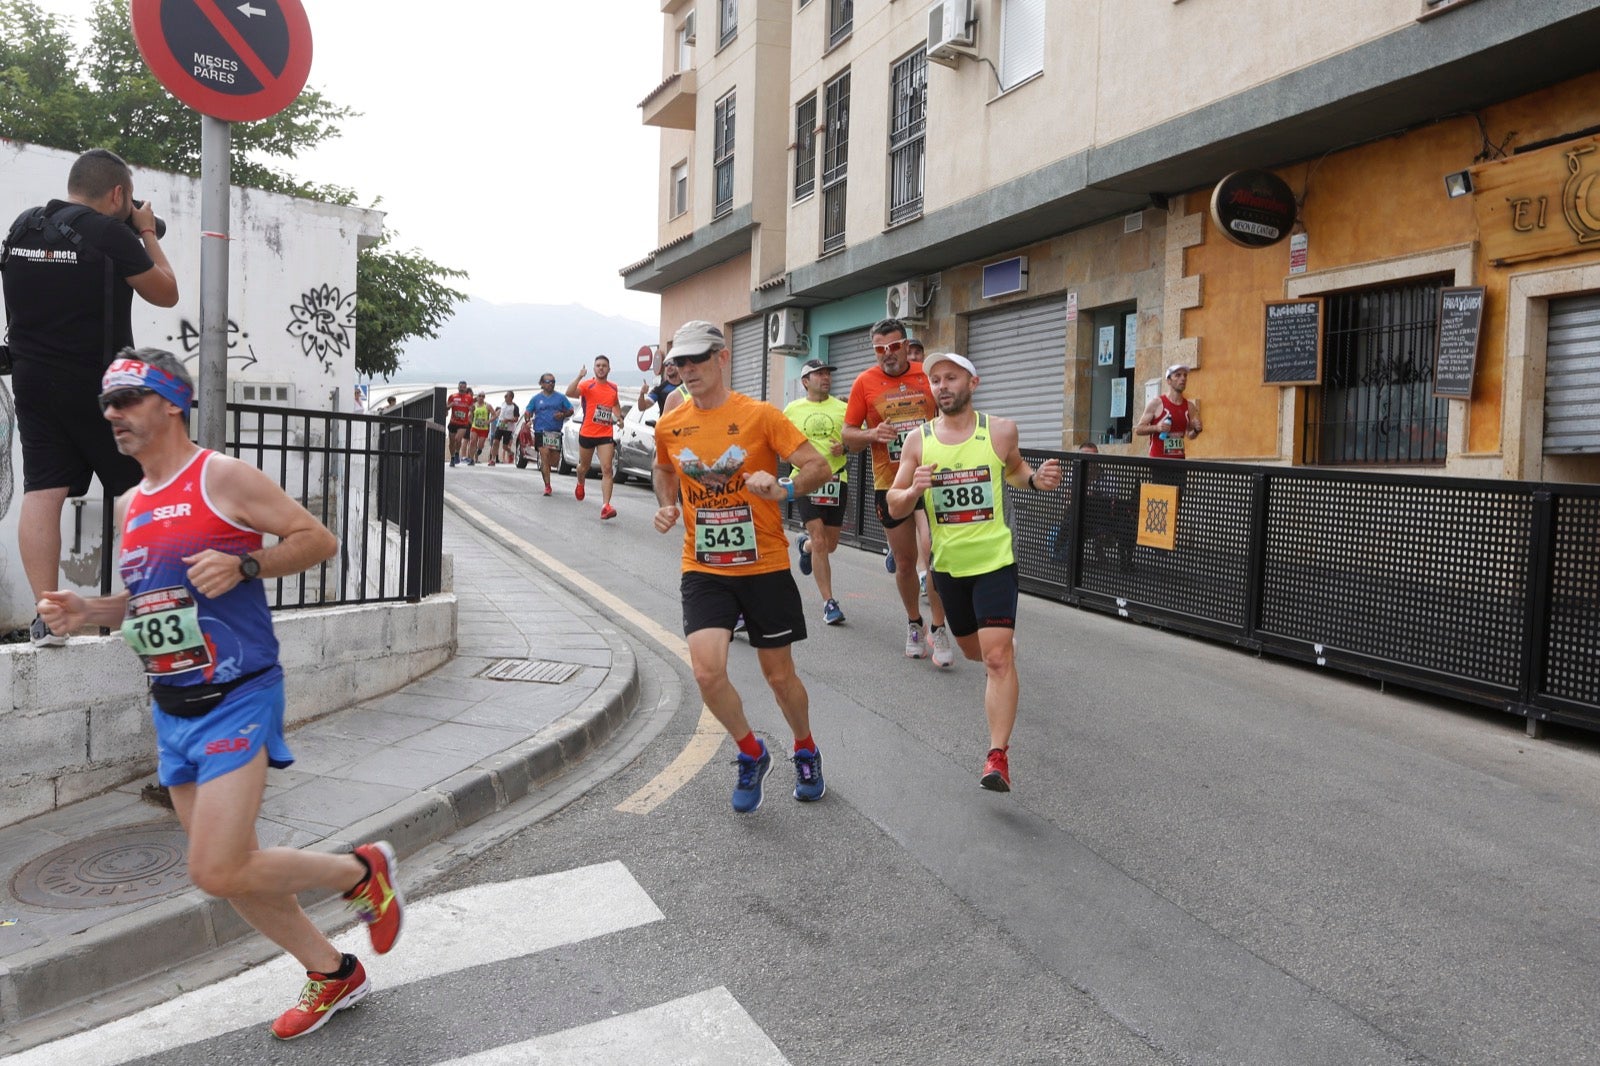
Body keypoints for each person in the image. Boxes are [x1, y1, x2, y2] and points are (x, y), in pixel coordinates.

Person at [35, 350, 405, 1040]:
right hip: (172, 705)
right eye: (106, 404)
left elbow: (316, 539)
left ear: (171, 401)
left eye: (128, 399)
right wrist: (89, 612)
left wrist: (246, 562)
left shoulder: (222, 476)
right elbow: (151, 602)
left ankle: (361, 872)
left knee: (215, 867)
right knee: (236, 871)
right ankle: (332, 973)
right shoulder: (132, 503)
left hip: (239, 693)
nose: (112, 414)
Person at [0, 147, 178, 647]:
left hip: (32, 381)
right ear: (118, 194)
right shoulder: (110, 233)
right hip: (102, 384)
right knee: (136, 486)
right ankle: (154, 605)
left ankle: (47, 617)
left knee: (44, 491)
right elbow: (166, 291)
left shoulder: (23, 228)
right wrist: (143, 230)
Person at [652, 320, 833, 813]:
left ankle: (804, 748)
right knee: (707, 673)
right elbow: (664, 468)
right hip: (704, 565)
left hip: (764, 565)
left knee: (779, 678)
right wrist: (667, 504)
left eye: (697, 360)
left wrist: (786, 489)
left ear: (722, 358)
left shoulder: (760, 416)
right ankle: (751, 753)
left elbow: (819, 466)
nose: (687, 370)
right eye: (679, 363)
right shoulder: (670, 423)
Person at [885, 352, 1062, 793]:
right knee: (973, 653)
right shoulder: (918, 441)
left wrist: (1037, 480)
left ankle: (997, 756)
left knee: (998, 658)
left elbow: (1016, 471)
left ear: (973, 382)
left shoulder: (1000, 430)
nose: (942, 386)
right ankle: (993, 644)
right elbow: (893, 503)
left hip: (995, 563)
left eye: (951, 377)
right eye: (936, 380)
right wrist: (913, 491)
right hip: (948, 568)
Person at [842, 317, 953, 666]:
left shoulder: (926, 377)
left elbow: (953, 414)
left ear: (906, 346)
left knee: (936, 556)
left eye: (893, 347)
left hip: (932, 478)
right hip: (890, 484)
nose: (887, 355)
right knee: (905, 563)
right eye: (879, 350)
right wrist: (872, 435)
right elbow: (848, 435)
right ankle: (914, 623)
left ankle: (939, 627)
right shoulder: (865, 382)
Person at [782, 359, 850, 625]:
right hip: (804, 481)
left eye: (827, 373)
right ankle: (829, 603)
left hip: (837, 480)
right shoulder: (791, 410)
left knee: (829, 545)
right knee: (821, 540)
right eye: (818, 374)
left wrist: (844, 448)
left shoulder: (844, 409)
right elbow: (779, 441)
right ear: (805, 382)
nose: (825, 378)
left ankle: (805, 545)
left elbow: (857, 438)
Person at [567, 356, 623, 519]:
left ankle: (606, 506)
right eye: (598, 365)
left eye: (604, 366)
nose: (601, 368)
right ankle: (580, 481)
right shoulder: (587, 385)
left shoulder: (613, 387)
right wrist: (579, 376)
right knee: (583, 467)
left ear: (609, 369)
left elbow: (615, 404)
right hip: (588, 433)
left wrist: (619, 418)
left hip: (605, 433)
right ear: (594, 368)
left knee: (607, 469)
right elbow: (569, 392)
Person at [1135, 363, 1203, 458]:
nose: (1183, 378)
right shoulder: (1157, 403)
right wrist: (1157, 428)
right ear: (1169, 381)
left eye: (1185, 375)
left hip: (1179, 464)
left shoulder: (1189, 406)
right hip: (1158, 463)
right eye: (1178, 375)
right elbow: (1138, 429)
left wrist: (1196, 430)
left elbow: (1190, 435)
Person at [525, 372, 573, 495]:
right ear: (541, 383)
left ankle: (547, 474)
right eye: (548, 381)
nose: (551, 384)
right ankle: (547, 486)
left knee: (554, 461)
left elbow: (571, 410)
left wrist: (562, 414)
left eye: (553, 382)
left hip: (555, 433)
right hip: (541, 431)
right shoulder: (536, 399)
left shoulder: (561, 398)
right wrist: (527, 419)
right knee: (544, 455)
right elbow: (528, 411)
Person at [446, 380, 473, 466]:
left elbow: (472, 408)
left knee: (458, 439)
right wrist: (449, 406)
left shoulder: (469, 398)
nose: (462, 389)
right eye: (460, 387)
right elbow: (446, 408)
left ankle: (457, 452)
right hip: (453, 422)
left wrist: (471, 408)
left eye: (463, 387)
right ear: (458, 387)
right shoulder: (452, 396)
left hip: (463, 423)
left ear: (466, 388)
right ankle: (452, 458)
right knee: (451, 442)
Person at [491, 390, 519, 466]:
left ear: (511, 397)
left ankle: (511, 452)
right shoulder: (503, 404)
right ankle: (493, 460)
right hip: (499, 426)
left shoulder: (515, 407)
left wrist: (508, 420)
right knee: (495, 442)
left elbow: (516, 419)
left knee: (505, 447)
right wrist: (491, 420)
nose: (505, 397)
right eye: (505, 396)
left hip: (508, 429)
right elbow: (499, 413)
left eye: (506, 396)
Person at [467, 390, 492, 465]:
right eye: (480, 396)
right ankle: (471, 459)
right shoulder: (474, 405)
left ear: (484, 397)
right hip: (475, 427)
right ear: (477, 397)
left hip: (484, 429)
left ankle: (479, 450)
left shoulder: (487, 405)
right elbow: (469, 415)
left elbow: (495, 415)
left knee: (480, 445)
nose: (481, 397)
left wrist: (488, 421)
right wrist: (472, 422)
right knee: (472, 442)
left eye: (483, 396)